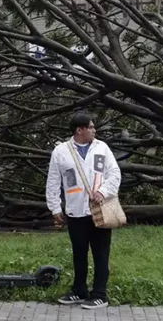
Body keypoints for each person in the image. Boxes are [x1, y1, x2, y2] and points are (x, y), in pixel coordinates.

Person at [45, 112, 121, 310]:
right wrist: (55, 208)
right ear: (80, 130)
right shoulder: (61, 151)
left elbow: (114, 173)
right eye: (91, 127)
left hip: (99, 210)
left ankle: (100, 294)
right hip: (75, 210)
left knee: (101, 253)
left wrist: (103, 191)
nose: (95, 130)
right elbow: (53, 182)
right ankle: (79, 290)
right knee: (79, 253)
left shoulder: (101, 148)